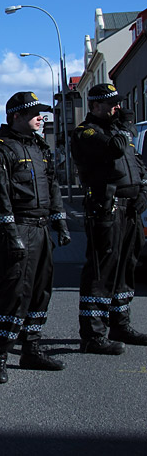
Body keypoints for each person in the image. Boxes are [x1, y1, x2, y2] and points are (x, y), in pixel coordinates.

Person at [0, 92, 70, 384]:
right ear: (15, 117)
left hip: (42, 231)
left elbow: (53, 188)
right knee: (13, 294)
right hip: (19, 230)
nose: (41, 117)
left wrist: (60, 223)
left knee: (41, 291)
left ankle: (32, 348)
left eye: (41, 113)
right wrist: (11, 235)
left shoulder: (40, 149)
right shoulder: (0, 152)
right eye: (34, 113)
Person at [70, 83, 147, 355]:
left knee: (128, 266)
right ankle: (93, 334)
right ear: (95, 106)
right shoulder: (86, 132)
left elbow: (136, 164)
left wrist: (143, 191)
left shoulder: (117, 130)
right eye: (111, 104)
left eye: (117, 103)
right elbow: (114, 149)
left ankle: (120, 324)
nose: (117, 108)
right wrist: (123, 127)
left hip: (130, 208)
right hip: (106, 207)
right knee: (101, 271)